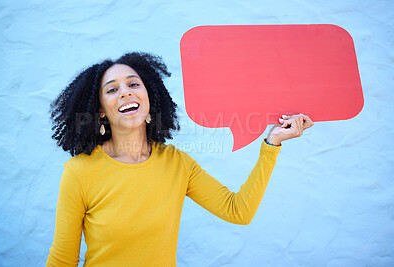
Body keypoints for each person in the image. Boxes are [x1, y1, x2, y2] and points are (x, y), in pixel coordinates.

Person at [46, 52, 314, 266]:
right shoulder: (79, 172)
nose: (126, 92)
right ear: (101, 111)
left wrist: (272, 144)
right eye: (112, 90)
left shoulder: (177, 164)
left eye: (133, 84)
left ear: (150, 98)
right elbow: (62, 261)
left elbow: (238, 211)